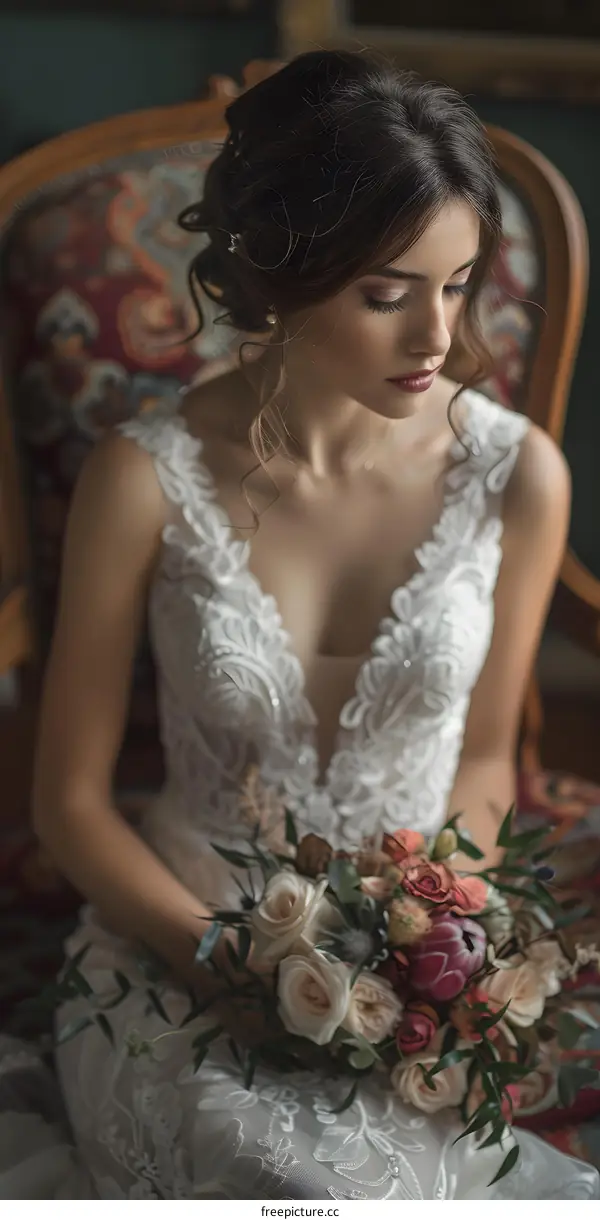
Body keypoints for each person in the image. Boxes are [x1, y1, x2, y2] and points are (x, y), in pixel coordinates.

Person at [9, 51, 600, 1199]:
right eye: (388, 293)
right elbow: (68, 802)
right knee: (273, 1174)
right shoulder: (145, 479)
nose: (437, 335)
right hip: (171, 948)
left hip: (411, 982)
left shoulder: (518, 475)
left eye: (460, 282)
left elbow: (484, 755)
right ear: (278, 275)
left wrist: (435, 936)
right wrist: (223, 960)